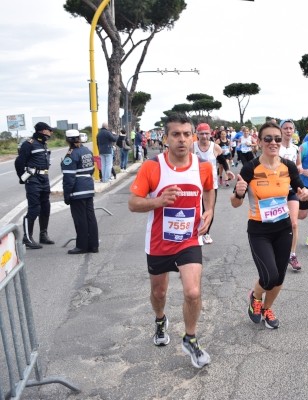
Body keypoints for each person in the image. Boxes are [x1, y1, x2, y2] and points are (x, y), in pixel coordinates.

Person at [128, 113, 215, 369]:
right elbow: (133, 203)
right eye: (176, 134)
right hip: (159, 243)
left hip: (189, 240)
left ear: (194, 138)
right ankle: (159, 319)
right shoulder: (152, 167)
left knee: (193, 291)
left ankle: (190, 338)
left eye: (187, 134)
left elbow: (209, 188)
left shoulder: (203, 167)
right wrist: (158, 201)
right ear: (166, 138)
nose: (182, 139)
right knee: (159, 291)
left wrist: (209, 210)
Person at [231, 121, 308, 329]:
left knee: (280, 277)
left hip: (283, 228)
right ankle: (255, 297)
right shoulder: (251, 168)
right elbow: (235, 203)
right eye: (268, 138)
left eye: (277, 138)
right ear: (259, 141)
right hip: (259, 231)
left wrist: (306, 195)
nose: (273, 142)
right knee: (269, 275)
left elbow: (301, 190)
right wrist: (239, 192)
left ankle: (267, 308)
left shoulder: (288, 166)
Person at [14, 121, 55, 249]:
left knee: (45, 207)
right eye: (49, 130)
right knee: (34, 209)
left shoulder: (43, 144)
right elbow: (19, 162)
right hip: (33, 180)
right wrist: (23, 178)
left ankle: (43, 235)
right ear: (43, 131)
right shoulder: (29, 144)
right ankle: (27, 238)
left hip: (44, 179)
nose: (51, 132)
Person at [193, 123, 234, 244]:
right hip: (194, 183)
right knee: (195, 209)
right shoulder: (192, 147)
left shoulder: (215, 147)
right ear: (197, 134)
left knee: (209, 209)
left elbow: (222, 161)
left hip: (211, 184)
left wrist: (228, 171)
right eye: (201, 134)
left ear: (210, 134)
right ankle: (195, 232)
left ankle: (206, 233)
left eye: (206, 133)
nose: (204, 136)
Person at [61, 129, 99, 255]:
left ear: (67, 140)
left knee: (80, 219)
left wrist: (67, 194)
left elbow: (68, 178)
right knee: (90, 218)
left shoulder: (71, 154)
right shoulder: (86, 151)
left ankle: (81, 246)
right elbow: (92, 169)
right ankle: (94, 246)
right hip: (88, 187)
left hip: (77, 191)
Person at [279, 119, 303, 271]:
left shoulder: (295, 149)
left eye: (291, 128)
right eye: (285, 128)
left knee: (294, 223)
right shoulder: (275, 148)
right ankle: (276, 250)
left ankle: (292, 255)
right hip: (276, 191)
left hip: (291, 190)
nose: (288, 131)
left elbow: (299, 164)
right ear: (281, 130)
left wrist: (299, 169)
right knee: (279, 224)